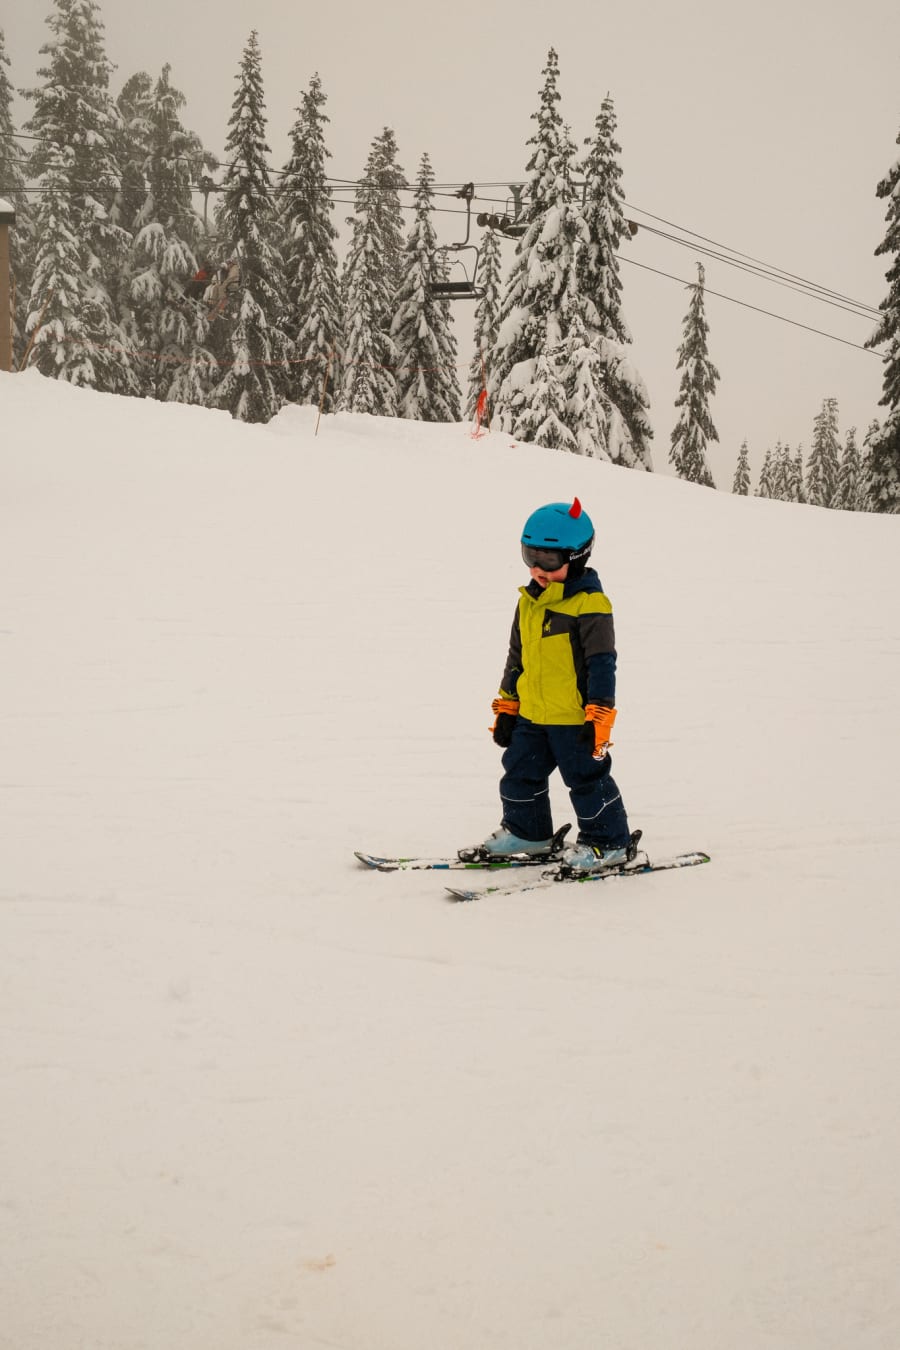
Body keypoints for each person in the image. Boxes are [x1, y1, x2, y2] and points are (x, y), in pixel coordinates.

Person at [468, 497, 634, 873]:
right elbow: (517, 657)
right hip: (532, 715)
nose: (538, 569)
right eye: (531, 556)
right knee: (519, 772)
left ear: (577, 557)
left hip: (574, 718)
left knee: (587, 779)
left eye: (549, 560)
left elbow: (601, 663)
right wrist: (508, 705)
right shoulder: (529, 602)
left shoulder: (590, 604)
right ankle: (527, 832)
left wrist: (599, 715)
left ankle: (610, 842)